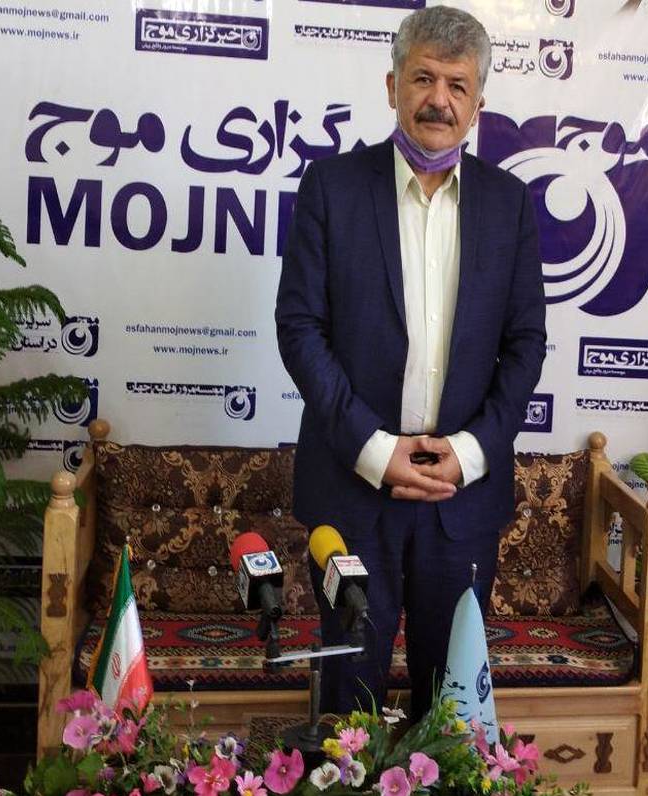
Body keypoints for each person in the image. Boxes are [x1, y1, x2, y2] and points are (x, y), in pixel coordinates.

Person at [275, 6, 546, 721]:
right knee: (348, 706)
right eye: (424, 78)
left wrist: (468, 453)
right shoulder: (332, 188)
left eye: (458, 85)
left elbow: (526, 344)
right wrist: (375, 450)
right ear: (392, 85)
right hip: (351, 491)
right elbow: (300, 329)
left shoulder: (510, 204)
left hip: (462, 500)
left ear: (478, 102)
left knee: (451, 712)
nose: (439, 100)